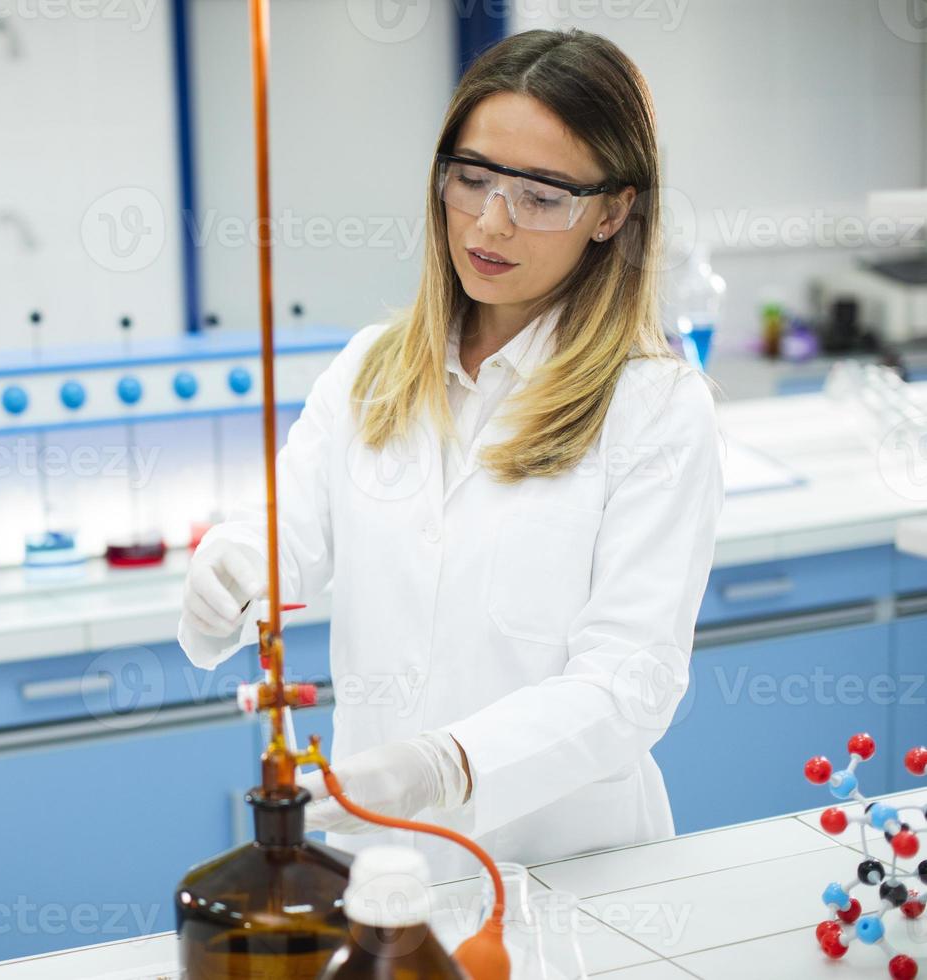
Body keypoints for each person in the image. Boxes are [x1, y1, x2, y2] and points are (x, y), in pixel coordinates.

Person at [177, 28, 725, 880]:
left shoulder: (654, 407)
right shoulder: (369, 369)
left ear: (613, 212)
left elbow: (631, 681)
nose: (491, 222)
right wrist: (233, 566)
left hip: (576, 874)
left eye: (542, 196)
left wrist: (448, 765)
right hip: (389, 877)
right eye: (471, 179)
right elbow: (286, 537)